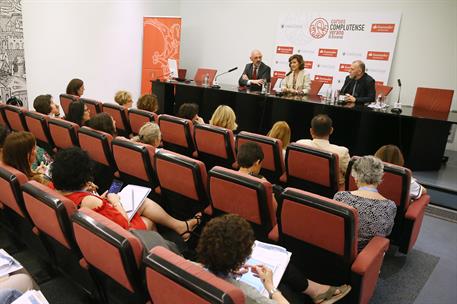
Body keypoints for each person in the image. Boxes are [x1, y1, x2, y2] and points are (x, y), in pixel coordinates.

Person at [197, 214, 351, 304]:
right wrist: (270, 287)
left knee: (285, 273)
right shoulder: (246, 294)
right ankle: (315, 294)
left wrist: (230, 272)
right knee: (286, 289)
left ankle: (316, 291)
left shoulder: (191, 267)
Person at [51, 147, 200, 239]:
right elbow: (123, 224)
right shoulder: (90, 201)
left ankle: (180, 227)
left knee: (144, 202)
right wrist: (115, 200)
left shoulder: (55, 188)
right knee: (150, 222)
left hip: (98, 226)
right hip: (117, 235)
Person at [333, 156, 397, 250]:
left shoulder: (340, 197)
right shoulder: (389, 206)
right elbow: (387, 233)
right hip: (368, 253)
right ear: (380, 176)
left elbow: (333, 225)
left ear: (355, 177)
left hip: (337, 248)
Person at [297, 114, 349, 187]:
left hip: (301, 187)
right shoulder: (342, 152)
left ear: (311, 131)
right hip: (330, 194)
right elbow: (352, 175)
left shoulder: (300, 144)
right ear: (331, 130)